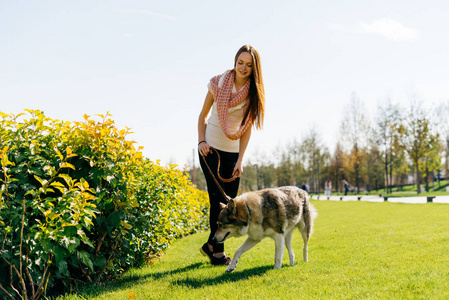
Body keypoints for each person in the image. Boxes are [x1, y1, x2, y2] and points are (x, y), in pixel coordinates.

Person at [197, 45, 265, 266]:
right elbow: (203, 115)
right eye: (240, 63)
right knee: (217, 202)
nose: (243, 68)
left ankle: (210, 245)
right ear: (235, 61)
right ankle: (217, 254)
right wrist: (201, 141)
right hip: (211, 150)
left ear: (254, 68)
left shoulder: (253, 92)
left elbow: (246, 129)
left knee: (231, 204)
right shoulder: (217, 83)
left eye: (248, 65)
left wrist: (240, 159)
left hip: (232, 153)